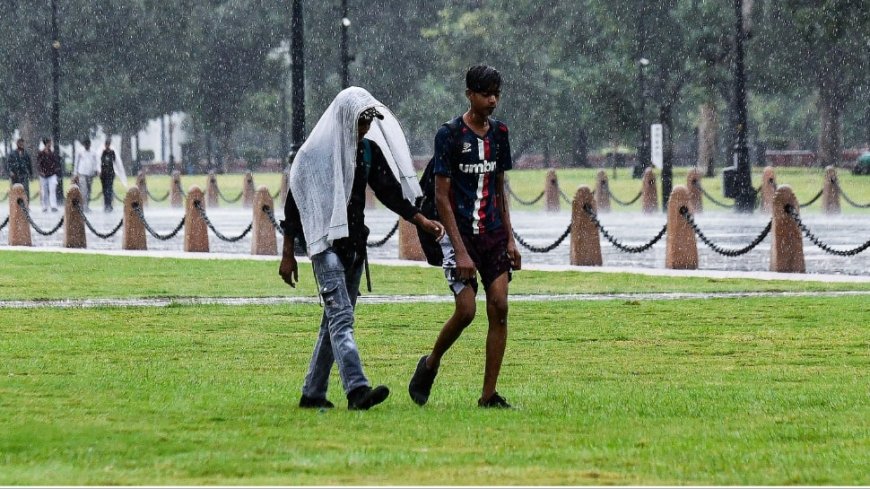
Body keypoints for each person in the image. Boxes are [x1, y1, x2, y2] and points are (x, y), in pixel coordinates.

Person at [279, 87, 442, 411]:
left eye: (368, 122)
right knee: (342, 320)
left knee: (334, 320)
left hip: (355, 248)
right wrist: (288, 255)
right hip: (325, 247)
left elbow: (390, 192)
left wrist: (420, 220)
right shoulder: (315, 155)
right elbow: (294, 204)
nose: (364, 128)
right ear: (343, 119)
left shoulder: (367, 152)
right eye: (360, 122)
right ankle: (357, 389)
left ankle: (312, 393)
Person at [408, 65, 522, 409]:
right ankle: (430, 363)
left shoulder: (500, 133)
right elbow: (441, 197)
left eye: (496, 94)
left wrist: (511, 239)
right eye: (485, 94)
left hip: (493, 234)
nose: (492, 100)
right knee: (467, 310)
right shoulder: (450, 135)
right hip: (460, 235)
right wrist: (459, 251)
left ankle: (488, 395)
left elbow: (500, 188)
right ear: (469, 94)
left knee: (499, 306)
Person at [74, 139, 100, 212]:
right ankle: (83, 206)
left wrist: (97, 170)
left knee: (89, 190)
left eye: (88, 145)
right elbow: (76, 162)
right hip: (82, 173)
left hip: (90, 174)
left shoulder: (93, 152)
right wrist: (75, 173)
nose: (87, 147)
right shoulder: (80, 151)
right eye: (86, 145)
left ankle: (87, 206)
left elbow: (97, 162)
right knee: (83, 190)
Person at [36, 138, 59, 212]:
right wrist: (40, 171)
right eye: (49, 143)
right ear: (46, 144)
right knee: (44, 191)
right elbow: (38, 164)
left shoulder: (52, 153)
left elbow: (55, 163)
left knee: (52, 190)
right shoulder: (41, 153)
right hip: (43, 175)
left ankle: (53, 206)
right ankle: (44, 206)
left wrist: (55, 170)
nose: (50, 144)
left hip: (52, 174)